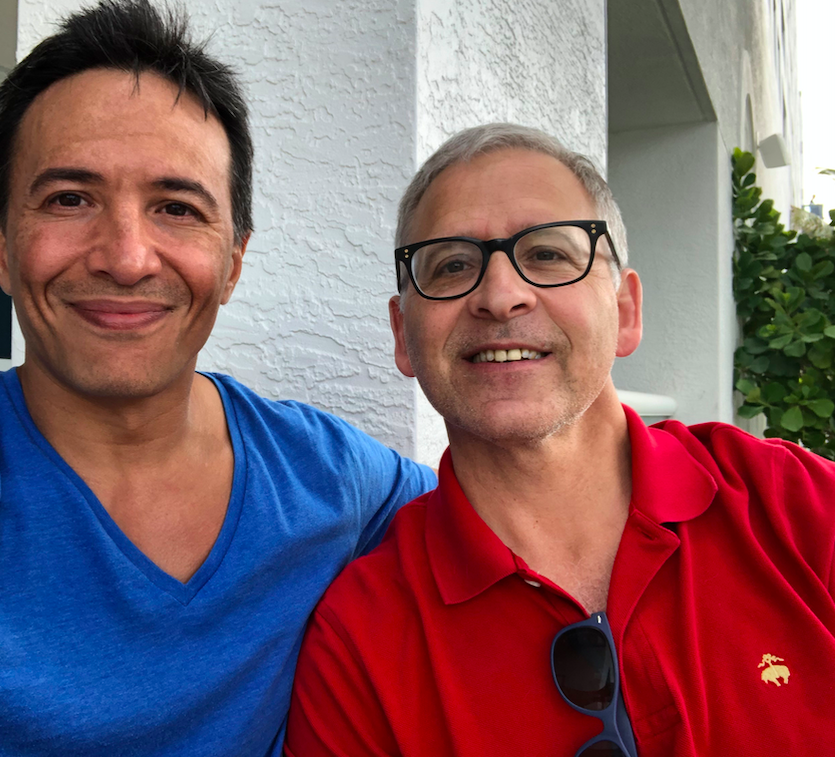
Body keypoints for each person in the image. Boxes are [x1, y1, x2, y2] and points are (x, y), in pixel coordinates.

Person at [0, 2, 435, 754]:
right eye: (69, 199)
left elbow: (504, 519)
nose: (126, 258)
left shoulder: (325, 477)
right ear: (1, 244)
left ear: (233, 262)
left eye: (176, 207)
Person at [285, 123, 835, 756]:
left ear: (625, 312)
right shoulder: (360, 642)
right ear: (403, 335)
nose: (500, 296)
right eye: (453, 264)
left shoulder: (796, 507)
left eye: (547, 254)